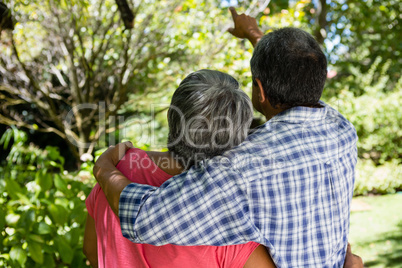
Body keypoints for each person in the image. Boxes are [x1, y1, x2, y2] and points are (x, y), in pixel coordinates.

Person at [93, 8, 364, 268]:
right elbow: (299, 88)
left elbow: (143, 219)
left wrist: (104, 167)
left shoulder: (238, 171)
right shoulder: (340, 128)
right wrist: (254, 33)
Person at [84, 70, 276, 267]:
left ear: (171, 116)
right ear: (238, 137)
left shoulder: (120, 166)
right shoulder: (231, 217)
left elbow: (91, 250)